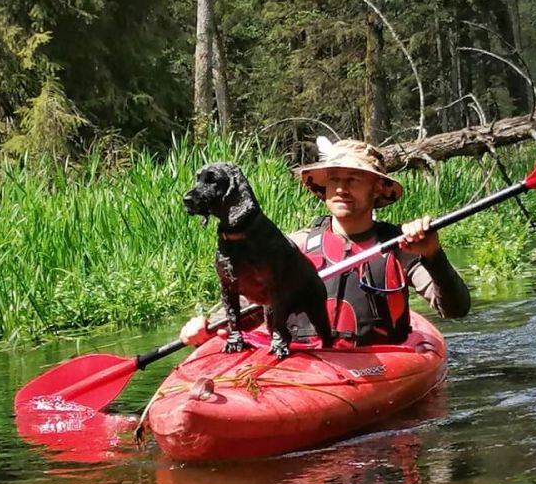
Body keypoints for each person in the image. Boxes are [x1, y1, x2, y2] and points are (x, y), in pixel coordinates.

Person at [179, 138, 470, 347]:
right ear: (324, 188)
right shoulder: (294, 245)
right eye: (334, 180)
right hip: (305, 362)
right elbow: (250, 303)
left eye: (354, 179)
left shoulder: (401, 247)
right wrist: (208, 325)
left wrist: (433, 255)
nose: (342, 189)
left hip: (376, 364)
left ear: (377, 189)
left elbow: (455, 309)